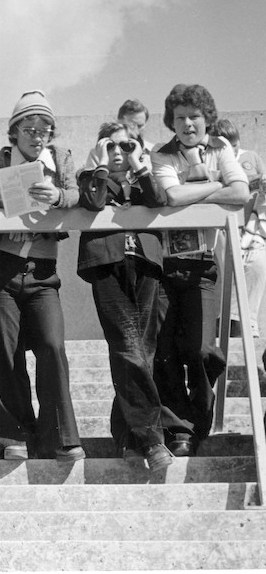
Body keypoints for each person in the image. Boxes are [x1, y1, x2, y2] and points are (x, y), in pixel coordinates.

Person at [0, 91, 85, 461]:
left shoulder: (60, 159)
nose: (38, 136)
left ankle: (59, 438)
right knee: (5, 350)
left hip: (42, 272)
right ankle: (11, 437)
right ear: (15, 131)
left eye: (45, 129)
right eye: (30, 129)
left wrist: (57, 196)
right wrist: (8, 200)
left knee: (51, 346)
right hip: (3, 268)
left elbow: (77, 193)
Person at [151, 84, 249, 456]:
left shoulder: (221, 149)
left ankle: (201, 417)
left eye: (194, 116)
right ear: (171, 122)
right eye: (180, 117)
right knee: (167, 351)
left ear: (206, 118)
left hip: (204, 265)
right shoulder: (161, 155)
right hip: (166, 266)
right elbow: (172, 197)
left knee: (203, 349)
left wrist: (202, 188)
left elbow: (240, 194)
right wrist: (215, 185)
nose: (188, 123)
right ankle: (181, 430)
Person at [78, 121, 172, 471]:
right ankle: (152, 439)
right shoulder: (89, 175)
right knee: (127, 347)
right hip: (106, 264)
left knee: (143, 352)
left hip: (145, 264)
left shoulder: (141, 176)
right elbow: (92, 200)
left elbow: (159, 199)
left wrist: (140, 166)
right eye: (111, 146)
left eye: (126, 146)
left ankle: (129, 439)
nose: (119, 153)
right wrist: (99, 165)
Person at [210, 118, 266, 338]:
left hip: (251, 227)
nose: (230, 150)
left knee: (258, 264)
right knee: (230, 263)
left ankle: (241, 321)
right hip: (222, 227)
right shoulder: (212, 165)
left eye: (233, 144)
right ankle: (238, 323)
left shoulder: (251, 158)